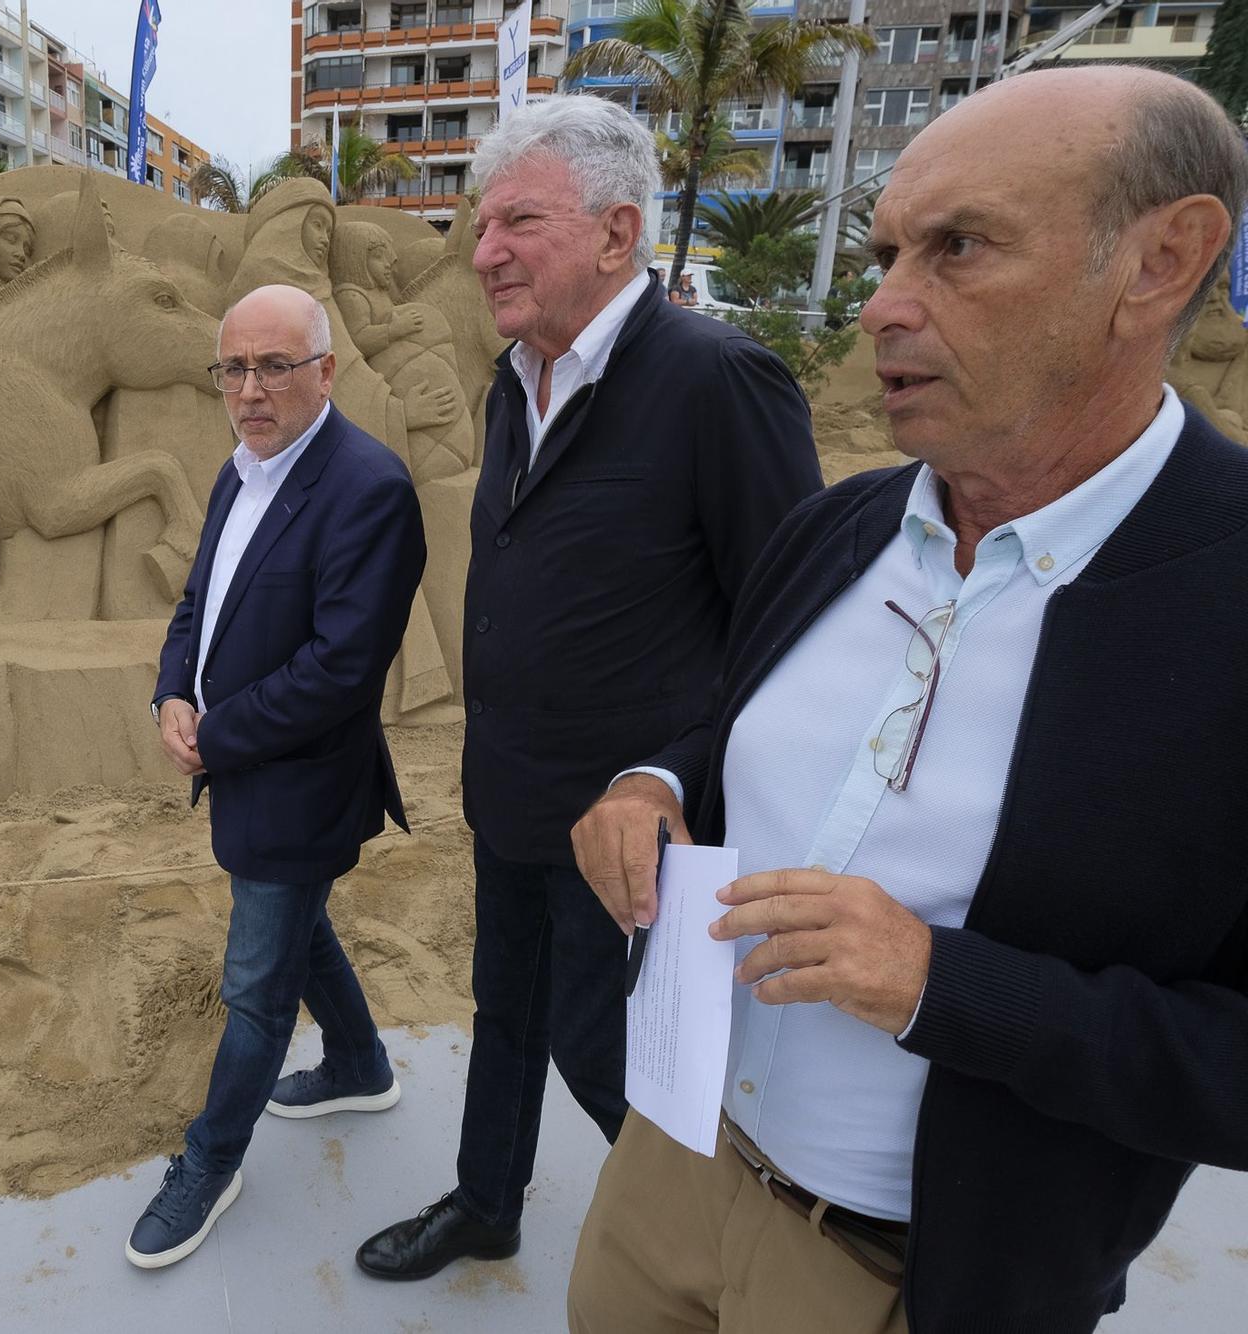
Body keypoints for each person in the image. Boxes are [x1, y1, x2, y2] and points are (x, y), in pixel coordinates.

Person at [568, 67, 1248, 1334]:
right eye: (886, 251)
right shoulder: (837, 526)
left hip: (910, 1273)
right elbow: (738, 730)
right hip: (666, 1162)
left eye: (957, 247)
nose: (878, 305)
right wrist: (650, 784)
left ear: (1160, 261)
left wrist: (944, 985)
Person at [356, 94, 820, 1282]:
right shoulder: (517, 376)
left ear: (617, 235)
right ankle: (486, 1198)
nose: (484, 250)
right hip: (510, 795)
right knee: (501, 1012)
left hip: (634, 832)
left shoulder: (718, 380)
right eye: (477, 224)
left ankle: (702, 1267)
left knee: (611, 1059)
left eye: (517, 220)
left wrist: (668, 776)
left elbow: (795, 633)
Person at [128, 283, 428, 1270]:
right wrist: (174, 689)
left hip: (300, 781)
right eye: (233, 368)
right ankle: (357, 1061)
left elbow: (342, 671)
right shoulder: (238, 470)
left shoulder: (367, 487)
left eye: (272, 365)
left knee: (254, 982)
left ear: (324, 371)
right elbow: (195, 602)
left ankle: (208, 1162)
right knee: (296, 924)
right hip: (243, 763)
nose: (248, 390)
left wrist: (215, 735)